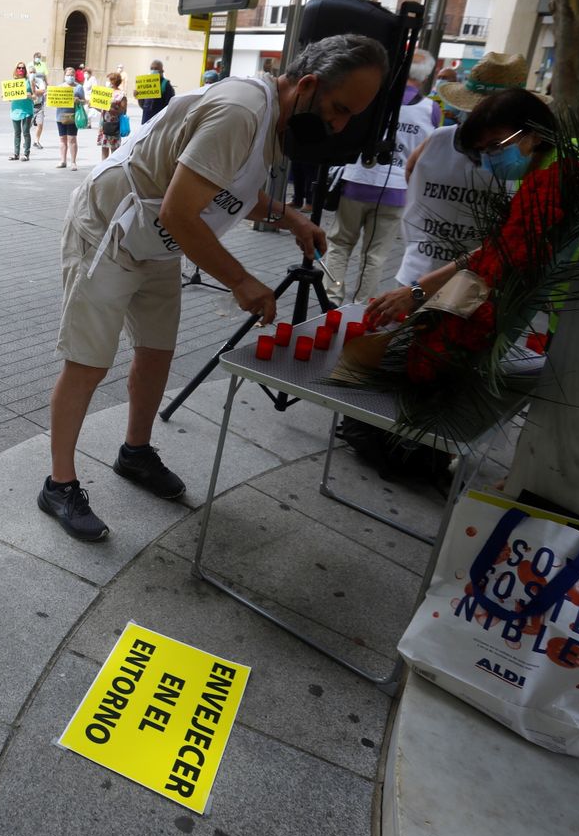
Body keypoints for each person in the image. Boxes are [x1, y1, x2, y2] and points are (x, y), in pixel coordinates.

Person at [40, 34, 385, 540]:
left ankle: (134, 452)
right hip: (112, 228)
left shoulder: (269, 115)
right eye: (337, 110)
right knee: (88, 361)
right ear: (307, 85)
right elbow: (183, 210)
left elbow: (228, 185)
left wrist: (290, 218)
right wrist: (240, 280)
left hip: (156, 235)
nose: (338, 126)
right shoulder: (242, 111)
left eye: (349, 117)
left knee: (156, 350)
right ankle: (59, 485)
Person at [369, 64, 553, 324]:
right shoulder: (440, 140)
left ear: (531, 133)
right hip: (425, 275)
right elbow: (413, 177)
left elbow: (496, 249)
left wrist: (418, 290)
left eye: (495, 146)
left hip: (479, 292)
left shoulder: (550, 178)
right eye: (482, 151)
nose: (487, 159)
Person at [323, 47, 440, 303]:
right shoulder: (431, 110)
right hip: (397, 190)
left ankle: (333, 296)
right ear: (425, 76)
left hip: (357, 181)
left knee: (341, 243)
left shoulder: (374, 100)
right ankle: (361, 305)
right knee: (375, 254)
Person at [54, 68, 86, 171]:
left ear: (75, 76)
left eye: (72, 74)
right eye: (68, 75)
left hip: (73, 115)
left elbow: (84, 101)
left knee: (72, 139)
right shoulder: (59, 87)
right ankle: (63, 161)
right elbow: (53, 100)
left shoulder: (79, 87)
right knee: (62, 139)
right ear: (64, 76)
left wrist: (78, 100)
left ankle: (73, 162)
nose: (70, 76)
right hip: (60, 115)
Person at [8, 62, 35, 161]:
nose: (21, 69)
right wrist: (6, 97)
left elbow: (35, 96)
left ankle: (26, 154)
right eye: (19, 68)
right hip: (15, 110)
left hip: (27, 110)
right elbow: (10, 97)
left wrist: (30, 96)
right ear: (16, 69)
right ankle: (16, 154)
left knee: (26, 132)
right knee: (17, 133)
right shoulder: (12, 82)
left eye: (23, 68)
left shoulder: (29, 81)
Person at [97, 71, 127, 160]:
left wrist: (112, 109)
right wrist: (94, 106)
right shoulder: (105, 92)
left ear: (113, 81)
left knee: (114, 149)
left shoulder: (121, 94)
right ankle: (103, 167)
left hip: (113, 124)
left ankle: (112, 168)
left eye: (109, 80)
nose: (108, 83)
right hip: (104, 123)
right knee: (104, 147)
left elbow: (123, 111)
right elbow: (102, 109)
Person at [138, 60, 176, 125]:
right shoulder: (147, 83)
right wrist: (138, 96)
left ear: (162, 70)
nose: (153, 70)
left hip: (159, 123)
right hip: (146, 121)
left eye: (156, 68)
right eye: (151, 68)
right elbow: (143, 105)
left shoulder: (166, 85)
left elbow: (170, 106)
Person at [30, 57, 50, 149]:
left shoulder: (40, 81)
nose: (32, 74)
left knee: (40, 124)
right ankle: (27, 140)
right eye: (30, 72)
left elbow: (42, 91)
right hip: (29, 107)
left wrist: (33, 91)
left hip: (39, 106)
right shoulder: (25, 82)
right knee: (27, 127)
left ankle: (36, 141)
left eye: (34, 72)